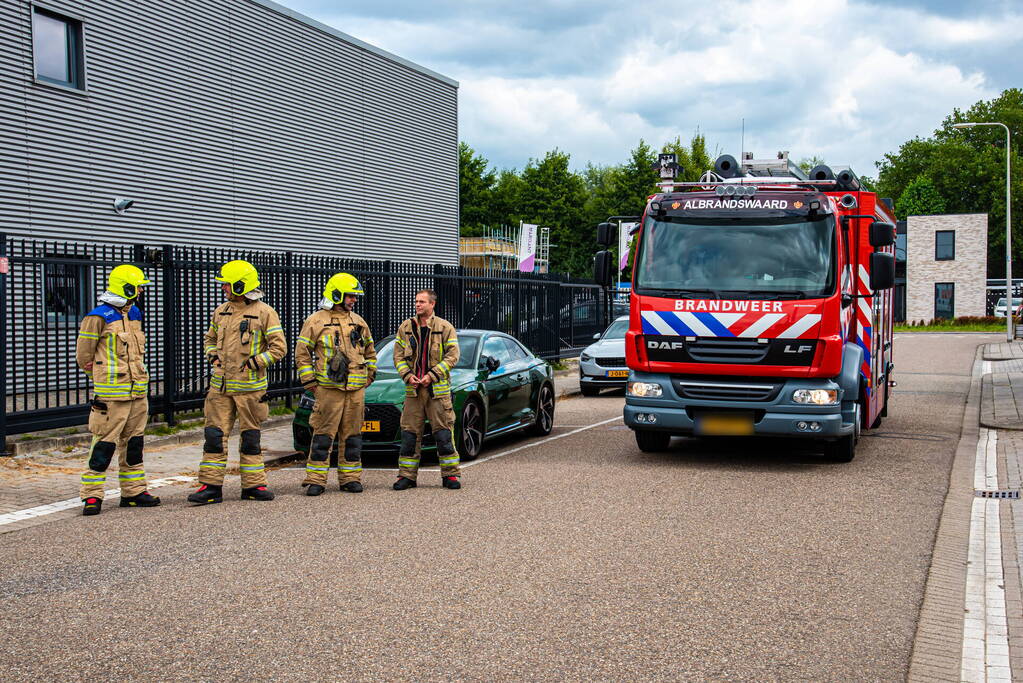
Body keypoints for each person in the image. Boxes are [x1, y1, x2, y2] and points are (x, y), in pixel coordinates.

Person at [187, 260, 287, 505]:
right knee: (214, 436)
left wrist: (254, 363)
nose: (223, 288)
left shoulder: (265, 312)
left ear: (241, 285)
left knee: (250, 438)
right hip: (220, 388)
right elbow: (209, 339)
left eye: (227, 284)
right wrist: (212, 354)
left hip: (250, 389)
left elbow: (279, 348)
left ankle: (253, 485)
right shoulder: (221, 311)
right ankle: (210, 486)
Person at [76, 265, 160, 515]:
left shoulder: (134, 312)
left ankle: (133, 492)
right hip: (112, 394)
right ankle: (91, 496)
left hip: (137, 391)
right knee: (103, 444)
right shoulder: (98, 317)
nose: (141, 290)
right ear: (127, 287)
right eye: (138, 286)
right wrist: (100, 377)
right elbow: (84, 355)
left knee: (134, 444)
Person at [295, 273, 378, 495]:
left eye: (354, 297)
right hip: (329, 390)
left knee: (352, 436)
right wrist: (309, 380)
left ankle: (350, 478)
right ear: (337, 294)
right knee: (323, 435)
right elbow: (302, 353)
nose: (354, 300)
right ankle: (316, 480)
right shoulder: (316, 321)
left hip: (355, 390)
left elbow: (370, 351)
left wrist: (370, 375)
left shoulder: (358, 321)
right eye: (350, 296)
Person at [392, 289, 461, 490]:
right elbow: (398, 356)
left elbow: (453, 356)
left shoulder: (445, 327)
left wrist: (432, 375)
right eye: (416, 301)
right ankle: (406, 476)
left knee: (443, 434)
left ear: (432, 304)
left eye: (422, 302)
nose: (418, 305)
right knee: (409, 435)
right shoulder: (406, 327)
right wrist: (408, 375)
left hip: (437, 392)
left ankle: (451, 476)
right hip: (413, 392)